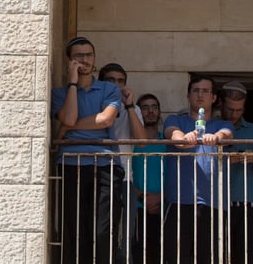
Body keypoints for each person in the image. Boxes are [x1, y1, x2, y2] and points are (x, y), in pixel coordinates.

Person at [52, 37, 123, 264]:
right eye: (79, 56)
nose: (85, 60)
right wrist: (73, 83)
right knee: (76, 231)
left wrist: (66, 128)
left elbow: (105, 120)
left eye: (89, 55)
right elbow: (70, 116)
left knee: (104, 231)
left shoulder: (110, 88)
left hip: (106, 165)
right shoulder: (59, 93)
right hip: (72, 165)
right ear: (69, 60)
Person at [163, 75, 235, 263]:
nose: (200, 95)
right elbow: (173, 134)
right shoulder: (175, 120)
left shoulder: (222, 124)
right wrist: (184, 138)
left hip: (212, 203)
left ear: (213, 97)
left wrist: (216, 137)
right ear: (188, 95)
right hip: (179, 201)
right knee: (176, 257)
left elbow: (226, 135)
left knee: (209, 257)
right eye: (196, 90)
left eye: (205, 91)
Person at [100, 63, 150, 263]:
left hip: (124, 178)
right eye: (111, 80)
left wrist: (129, 106)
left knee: (124, 237)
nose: (116, 85)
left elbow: (142, 142)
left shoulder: (133, 108)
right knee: (101, 234)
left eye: (120, 81)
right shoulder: (97, 103)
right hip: (98, 174)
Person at [219, 81, 253, 264]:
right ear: (220, 104)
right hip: (219, 204)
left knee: (248, 256)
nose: (234, 114)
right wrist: (224, 160)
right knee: (220, 254)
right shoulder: (212, 127)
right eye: (230, 109)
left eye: (239, 110)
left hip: (249, 204)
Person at [132, 92, 167, 264]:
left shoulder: (167, 143)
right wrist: (142, 197)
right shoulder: (132, 143)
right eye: (145, 107)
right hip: (137, 208)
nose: (150, 111)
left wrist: (160, 197)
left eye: (154, 107)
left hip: (165, 208)